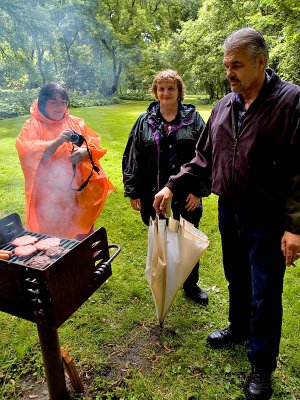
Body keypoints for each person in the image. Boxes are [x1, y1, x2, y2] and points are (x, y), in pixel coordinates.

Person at [153, 28, 300, 400]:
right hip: (230, 209)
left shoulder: (291, 101)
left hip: (268, 216)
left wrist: (294, 227)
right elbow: (204, 158)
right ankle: (238, 328)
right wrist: (174, 185)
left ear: (261, 62)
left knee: (266, 291)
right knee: (237, 277)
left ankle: (262, 365)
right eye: (226, 65)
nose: (229, 73)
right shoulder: (223, 106)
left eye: (236, 65)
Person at [122, 69, 208, 305]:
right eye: (161, 88)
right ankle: (164, 281)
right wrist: (133, 190)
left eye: (171, 88)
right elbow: (132, 156)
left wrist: (198, 191)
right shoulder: (144, 122)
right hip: (153, 193)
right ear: (155, 92)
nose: (166, 92)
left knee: (187, 240)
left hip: (186, 194)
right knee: (160, 238)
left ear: (180, 91)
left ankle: (191, 285)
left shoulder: (194, 121)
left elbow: (206, 156)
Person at [16, 82, 114, 239]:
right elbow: (27, 152)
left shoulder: (75, 122)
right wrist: (56, 142)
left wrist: (84, 151)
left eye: (63, 102)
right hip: (48, 197)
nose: (59, 107)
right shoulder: (32, 126)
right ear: (42, 103)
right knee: (51, 238)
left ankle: (83, 260)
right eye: (53, 102)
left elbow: (93, 143)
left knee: (81, 233)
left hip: (77, 192)